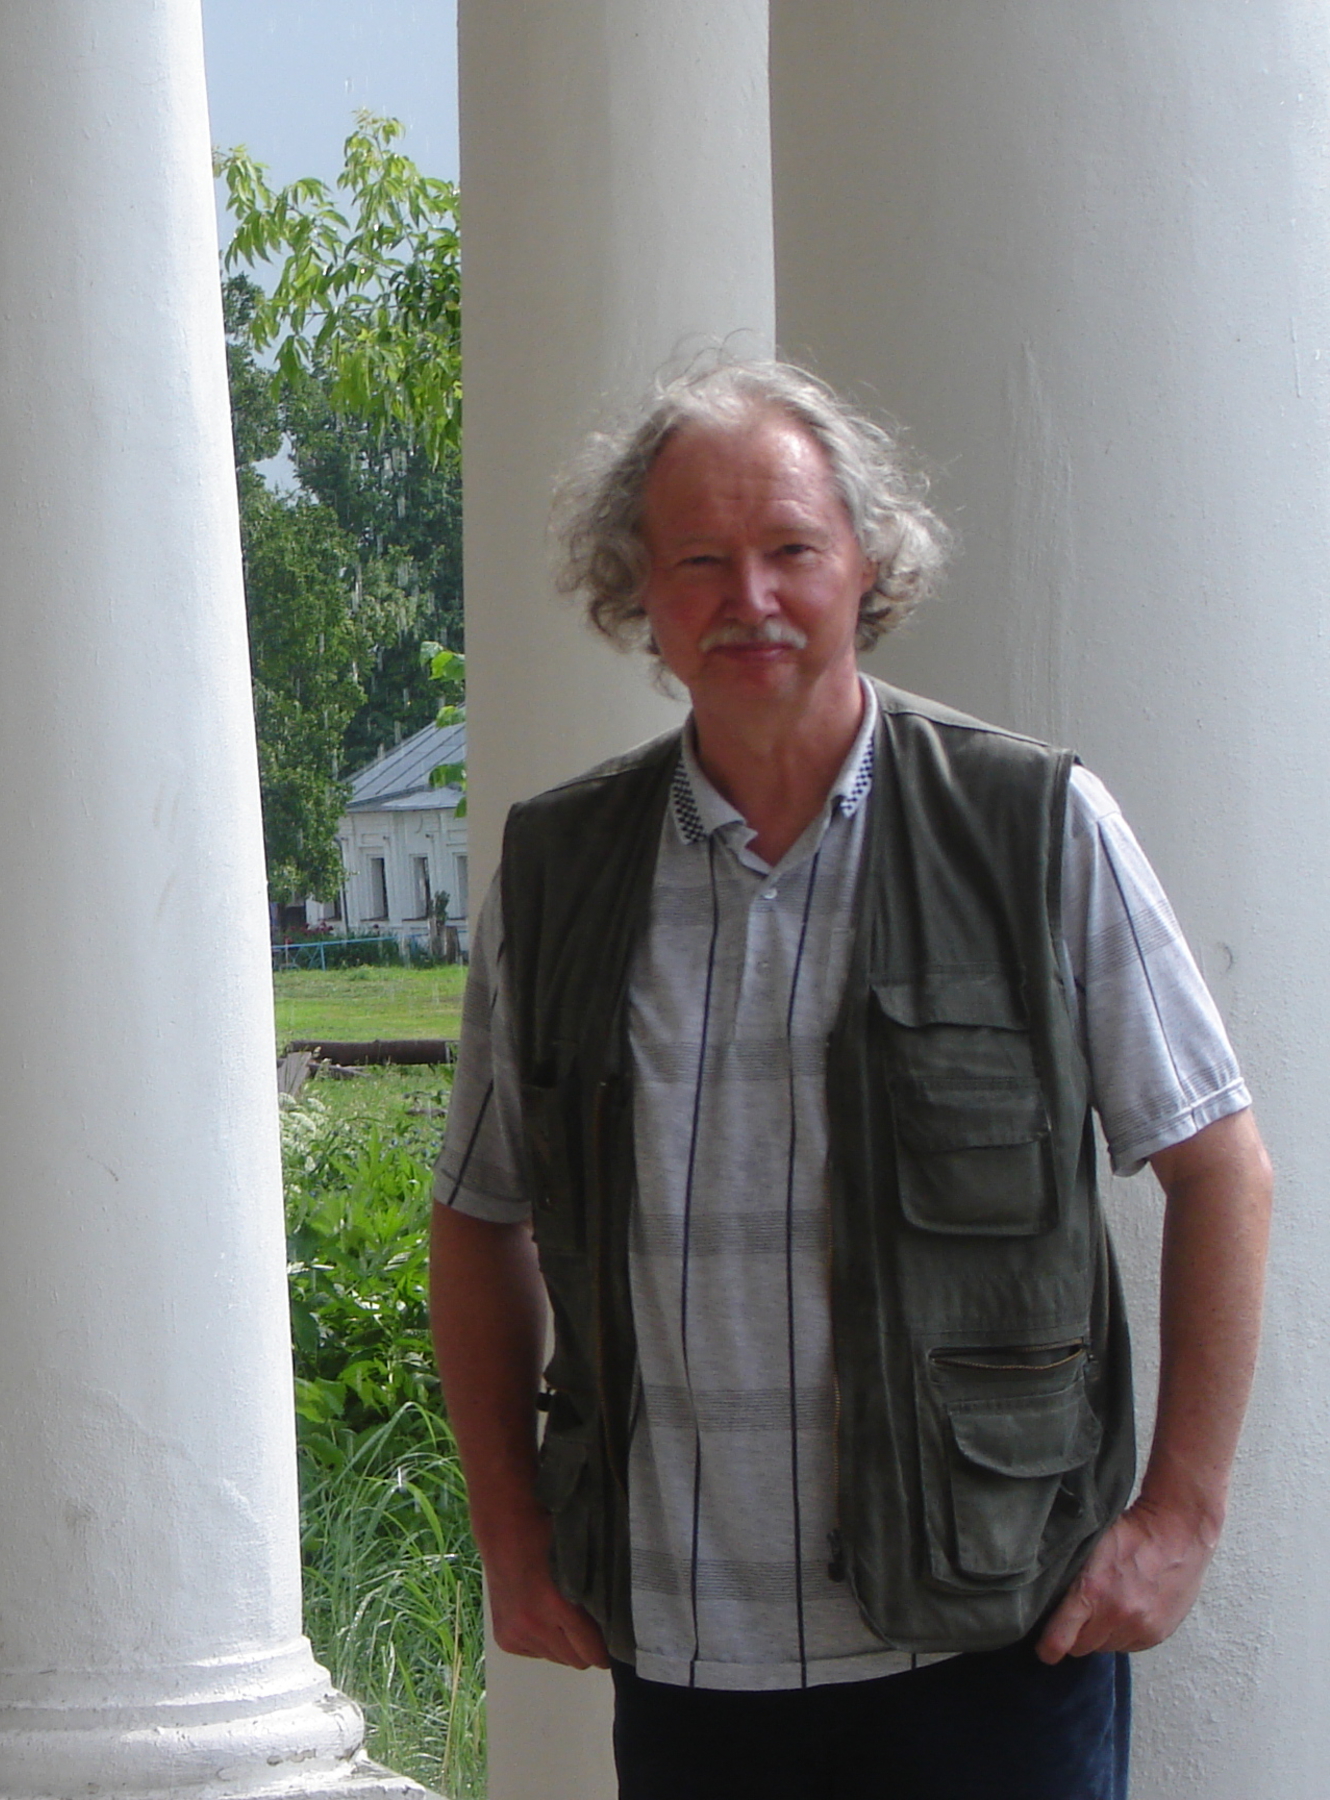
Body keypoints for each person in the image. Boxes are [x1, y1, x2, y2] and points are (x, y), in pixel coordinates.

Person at [428, 359, 1273, 1800]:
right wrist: (511, 1535)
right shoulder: (559, 873)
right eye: (700, 560)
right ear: (638, 590)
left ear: (868, 565)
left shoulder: (1033, 828)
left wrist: (1180, 1518)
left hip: (989, 1641)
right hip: (683, 1654)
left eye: (792, 549)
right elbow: (476, 1213)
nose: (749, 597)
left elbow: (1220, 1167)